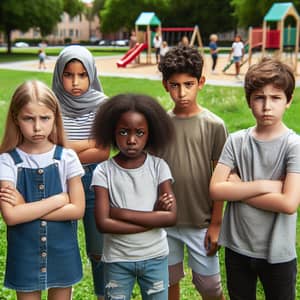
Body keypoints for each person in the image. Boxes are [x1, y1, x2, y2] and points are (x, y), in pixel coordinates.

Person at [209, 57, 300, 300]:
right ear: (249, 101)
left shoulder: (294, 145)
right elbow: (216, 190)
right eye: (259, 97)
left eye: (276, 97)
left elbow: (289, 204)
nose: (267, 106)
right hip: (237, 248)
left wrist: (239, 189)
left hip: (278, 252)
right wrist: (265, 186)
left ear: (289, 101)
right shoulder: (236, 141)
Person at [0, 80, 85, 300]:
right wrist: (59, 199)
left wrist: (25, 209)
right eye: (28, 118)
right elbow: (10, 216)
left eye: (45, 118)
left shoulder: (67, 157)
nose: (37, 127)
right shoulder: (7, 161)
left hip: (62, 252)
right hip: (24, 254)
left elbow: (77, 209)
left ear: (55, 117)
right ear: (16, 119)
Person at [91, 93, 177, 300]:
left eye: (139, 133)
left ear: (151, 134)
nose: (131, 140)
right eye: (123, 132)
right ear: (111, 132)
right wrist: (153, 218)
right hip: (117, 260)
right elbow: (103, 223)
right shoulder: (103, 172)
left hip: (155, 257)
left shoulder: (159, 167)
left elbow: (171, 217)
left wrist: (119, 212)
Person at [158, 46, 227, 300]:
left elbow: (221, 179)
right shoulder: (160, 125)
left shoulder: (214, 125)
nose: (182, 92)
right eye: (175, 85)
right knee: (167, 281)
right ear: (165, 85)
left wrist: (216, 224)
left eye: (189, 84)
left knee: (210, 287)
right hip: (166, 223)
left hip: (201, 222)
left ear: (201, 82)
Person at [52, 45, 110, 300]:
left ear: (92, 74)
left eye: (82, 74)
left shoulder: (103, 105)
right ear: (59, 75)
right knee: (62, 248)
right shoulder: (51, 104)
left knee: (99, 249)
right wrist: (89, 144)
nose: (75, 82)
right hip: (59, 182)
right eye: (68, 74)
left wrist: (67, 148)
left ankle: (103, 294)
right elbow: (51, 147)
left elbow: (103, 153)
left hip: (95, 182)